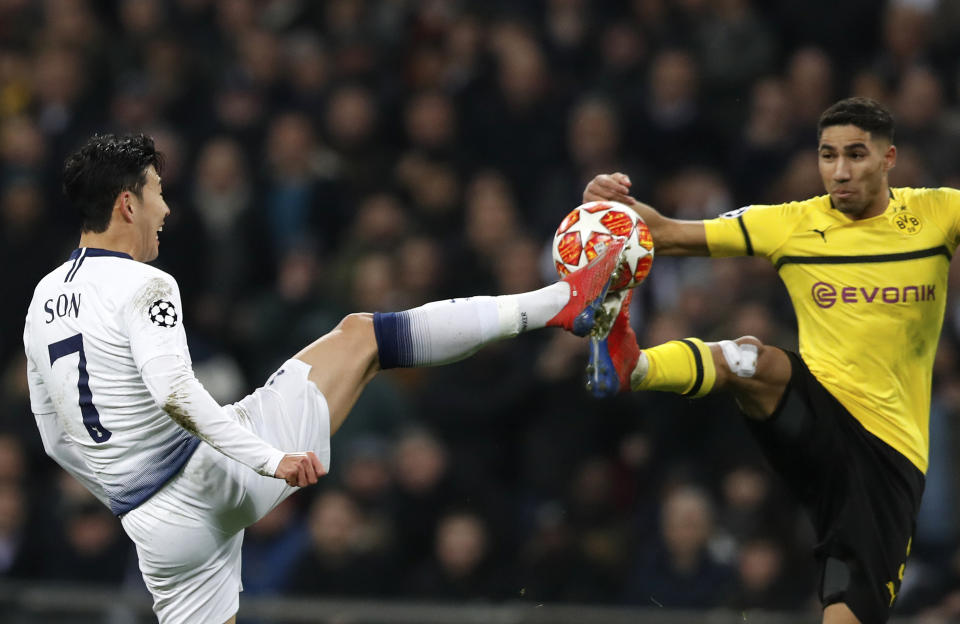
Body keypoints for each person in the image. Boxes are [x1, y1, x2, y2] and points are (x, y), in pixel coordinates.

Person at [22, 133, 625, 624]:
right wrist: (267, 460)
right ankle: (562, 302)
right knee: (363, 336)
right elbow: (176, 395)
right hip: (208, 476)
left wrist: (126, 497)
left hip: (150, 526)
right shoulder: (147, 284)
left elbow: (53, 438)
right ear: (128, 204)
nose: (167, 209)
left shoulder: (42, 299)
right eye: (157, 193)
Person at [582, 97, 945, 623]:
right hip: (815, 411)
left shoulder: (936, 213)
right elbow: (664, 232)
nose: (839, 171)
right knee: (750, 358)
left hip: (886, 453)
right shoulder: (793, 223)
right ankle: (631, 366)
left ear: (888, 159)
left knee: (848, 612)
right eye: (827, 155)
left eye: (856, 155)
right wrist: (605, 207)